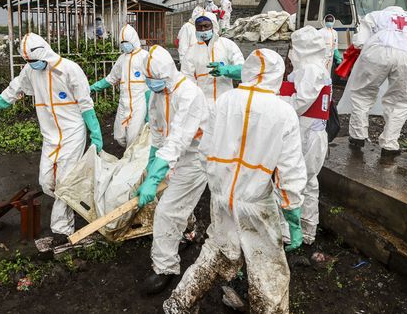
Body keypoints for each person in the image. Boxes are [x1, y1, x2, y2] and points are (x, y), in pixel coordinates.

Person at [163, 49, 307, 313]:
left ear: (248, 71)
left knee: (217, 251)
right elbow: (290, 170)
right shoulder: (283, 112)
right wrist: (293, 213)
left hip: (222, 195)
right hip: (256, 203)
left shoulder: (225, 101)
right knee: (267, 267)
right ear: (278, 76)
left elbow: (205, 153)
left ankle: (178, 303)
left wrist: (220, 182)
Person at [0, 33, 103, 241]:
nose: (31, 65)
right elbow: (10, 93)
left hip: (72, 133)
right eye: (28, 62)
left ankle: (62, 229)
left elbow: (86, 104)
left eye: (34, 61)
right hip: (50, 136)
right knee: (46, 181)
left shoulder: (69, 69)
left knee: (63, 181)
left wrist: (96, 133)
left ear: (45, 54)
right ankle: (78, 198)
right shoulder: (30, 71)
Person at [135, 45, 208, 294]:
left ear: (165, 75)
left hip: (197, 157)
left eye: (153, 79)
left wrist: (156, 176)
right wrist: (151, 166)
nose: (150, 84)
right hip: (172, 155)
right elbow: (157, 133)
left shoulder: (188, 94)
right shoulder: (159, 93)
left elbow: (178, 139)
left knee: (166, 211)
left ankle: (165, 267)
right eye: (148, 80)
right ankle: (188, 232)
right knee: (175, 203)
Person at [348, 6, 407, 156]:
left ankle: (357, 135)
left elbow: (359, 42)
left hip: (378, 50)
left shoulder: (375, 15)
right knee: (400, 101)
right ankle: (390, 144)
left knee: (362, 93)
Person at [286, 26, 331, 245]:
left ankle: (292, 231)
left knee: (297, 181)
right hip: (312, 131)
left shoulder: (310, 69)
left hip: (308, 134)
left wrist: (277, 101)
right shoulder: (316, 67)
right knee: (309, 182)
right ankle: (307, 231)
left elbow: (301, 102)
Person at [89, 24, 149, 148]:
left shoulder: (145, 56)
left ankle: (134, 162)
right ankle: (129, 156)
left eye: (126, 42)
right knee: (119, 136)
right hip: (123, 103)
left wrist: (149, 108)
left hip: (139, 103)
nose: (124, 45)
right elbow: (111, 78)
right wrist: (93, 87)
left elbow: (152, 84)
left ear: (133, 40)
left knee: (134, 137)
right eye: (122, 43)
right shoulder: (122, 59)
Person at [181, 11, 244, 110]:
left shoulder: (227, 45)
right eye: (199, 27)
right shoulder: (191, 52)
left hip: (225, 103)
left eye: (206, 26)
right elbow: (187, 80)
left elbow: (244, 70)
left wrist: (226, 70)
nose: (203, 30)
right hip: (203, 105)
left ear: (213, 26)